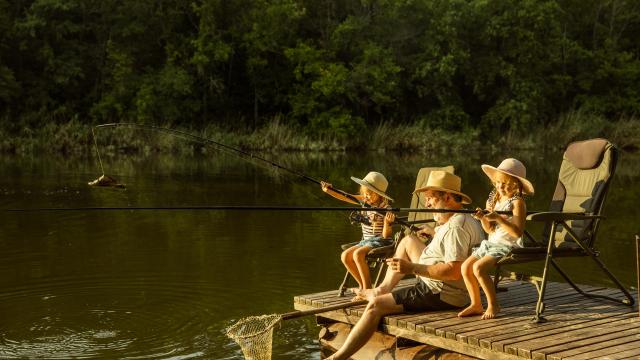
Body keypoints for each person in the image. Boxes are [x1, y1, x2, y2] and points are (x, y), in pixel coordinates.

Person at [327, 171, 483, 360]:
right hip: (448, 283)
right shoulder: (463, 218)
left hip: (442, 291)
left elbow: (454, 271)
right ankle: (380, 289)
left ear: (447, 197)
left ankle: (337, 358)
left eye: (430, 199)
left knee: (376, 305)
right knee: (409, 241)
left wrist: (411, 268)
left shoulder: (455, 228)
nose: (427, 204)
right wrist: (434, 234)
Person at [457, 158, 534, 319]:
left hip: (508, 245)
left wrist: (499, 218)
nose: (500, 186)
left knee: (478, 268)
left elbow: (518, 232)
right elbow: (489, 229)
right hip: (491, 243)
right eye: (498, 182)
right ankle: (476, 304)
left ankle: (494, 305)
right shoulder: (492, 199)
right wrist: (483, 218)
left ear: (517, 185)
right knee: (465, 267)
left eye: (506, 184)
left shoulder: (517, 202)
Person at [321, 171, 396, 297]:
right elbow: (345, 196)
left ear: (379, 195)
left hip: (380, 240)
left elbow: (386, 235)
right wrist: (329, 190)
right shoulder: (364, 201)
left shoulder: (385, 208)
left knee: (357, 254)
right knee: (345, 256)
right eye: (365, 194)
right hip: (366, 241)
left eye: (370, 194)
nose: (366, 197)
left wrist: (388, 223)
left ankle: (366, 290)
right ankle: (363, 287)